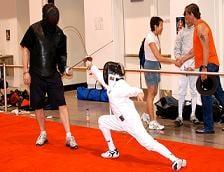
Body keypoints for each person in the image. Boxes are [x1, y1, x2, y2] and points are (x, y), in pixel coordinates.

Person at [85, 59, 186, 171]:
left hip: (131, 121)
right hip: (119, 120)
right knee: (102, 121)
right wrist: (91, 66)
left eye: (106, 72)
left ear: (111, 74)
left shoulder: (120, 86)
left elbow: (132, 90)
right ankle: (113, 151)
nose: (104, 74)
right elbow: (99, 76)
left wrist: (139, 92)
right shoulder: (111, 85)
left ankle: (175, 159)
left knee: (148, 144)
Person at [20, 3, 78, 148]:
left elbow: (62, 56)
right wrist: (25, 71)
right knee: (38, 104)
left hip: (52, 74)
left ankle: (69, 135)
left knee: (62, 104)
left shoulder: (60, 34)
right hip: (36, 73)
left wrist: (65, 68)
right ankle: (43, 132)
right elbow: (25, 49)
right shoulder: (33, 29)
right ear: (45, 17)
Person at [184, 3, 224, 133]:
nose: (185, 18)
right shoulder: (197, 28)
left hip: (209, 65)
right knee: (219, 94)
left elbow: (206, 48)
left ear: (192, 14)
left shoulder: (201, 27)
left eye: (186, 15)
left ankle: (208, 127)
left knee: (205, 95)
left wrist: (205, 68)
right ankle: (208, 126)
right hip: (209, 64)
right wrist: (182, 59)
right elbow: (196, 50)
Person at [142, 16, 178, 130]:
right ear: (155, 26)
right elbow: (158, 56)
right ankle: (152, 121)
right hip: (151, 66)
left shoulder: (155, 37)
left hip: (155, 66)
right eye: (161, 25)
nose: (162, 28)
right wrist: (173, 61)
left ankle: (145, 115)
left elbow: (158, 57)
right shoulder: (150, 38)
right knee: (151, 94)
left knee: (153, 92)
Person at [173, 17, 200, 127]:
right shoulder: (181, 32)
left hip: (193, 65)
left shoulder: (197, 31)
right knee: (182, 91)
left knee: (194, 91)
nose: (188, 21)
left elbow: (198, 50)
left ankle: (193, 115)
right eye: (186, 19)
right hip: (183, 65)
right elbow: (176, 49)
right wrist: (180, 61)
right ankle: (180, 116)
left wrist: (193, 66)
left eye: (189, 19)